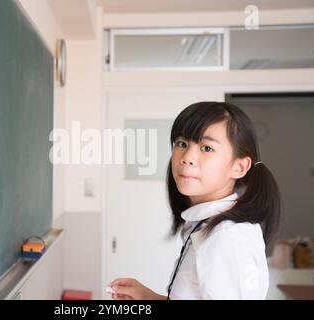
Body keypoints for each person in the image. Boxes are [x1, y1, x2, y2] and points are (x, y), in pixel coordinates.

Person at [109, 101, 282, 300]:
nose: (187, 157)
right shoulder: (206, 224)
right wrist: (149, 297)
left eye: (206, 148)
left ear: (239, 167)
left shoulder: (228, 237)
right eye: (182, 144)